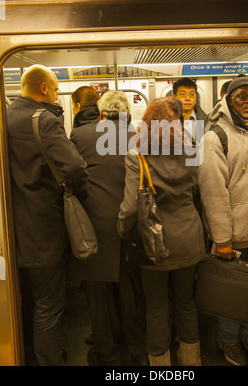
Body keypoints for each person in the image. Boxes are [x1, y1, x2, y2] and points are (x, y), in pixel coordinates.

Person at [6, 64, 89, 366]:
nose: (56, 95)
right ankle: (50, 361)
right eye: (55, 89)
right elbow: (76, 168)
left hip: (14, 228)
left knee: (27, 299)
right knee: (49, 305)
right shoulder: (43, 120)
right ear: (43, 89)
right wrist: (79, 193)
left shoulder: (7, 115)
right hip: (43, 230)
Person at [118, 98, 206, 367]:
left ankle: (160, 365)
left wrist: (122, 228)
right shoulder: (192, 149)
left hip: (153, 242)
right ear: (178, 122)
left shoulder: (137, 154)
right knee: (185, 302)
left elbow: (131, 205)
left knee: (155, 306)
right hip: (190, 237)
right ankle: (192, 361)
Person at [198, 73, 248, 366]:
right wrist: (222, 239)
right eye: (241, 96)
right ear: (228, 101)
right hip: (232, 235)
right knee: (230, 294)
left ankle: (245, 330)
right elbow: (213, 193)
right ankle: (227, 336)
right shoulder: (215, 138)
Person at [70, 90, 147, 366]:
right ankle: (138, 351)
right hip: (133, 224)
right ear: (127, 114)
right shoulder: (139, 135)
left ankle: (108, 353)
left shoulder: (80, 136)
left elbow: (72, 175)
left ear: (101, 113)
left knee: (100, 298)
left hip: (96, 226)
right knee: (132, 294)